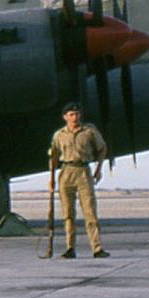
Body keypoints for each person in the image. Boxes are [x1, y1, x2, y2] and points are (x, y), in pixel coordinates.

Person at [48, 102, 109, 259]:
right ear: (65, 117)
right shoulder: (59, 135)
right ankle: (70, 248)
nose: (74, 117)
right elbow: (53, 156)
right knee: (68, 213)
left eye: (76, 114)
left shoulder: (89, 131)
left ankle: (96, 248)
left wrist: (98, 169)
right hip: (66, 171)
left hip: (83, 171)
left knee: (90, 212)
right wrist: (52, 178)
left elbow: (102, 148)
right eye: (71, 115)